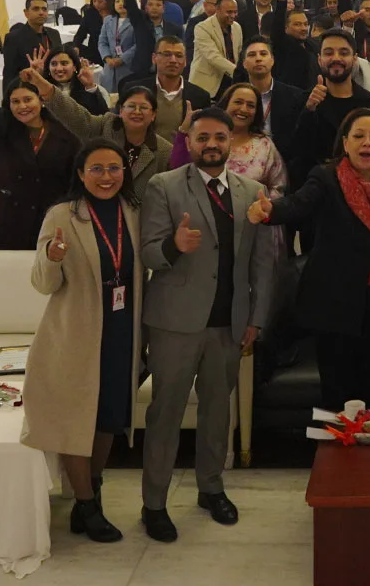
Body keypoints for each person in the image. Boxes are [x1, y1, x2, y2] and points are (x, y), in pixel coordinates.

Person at [136, 108, 278, 541]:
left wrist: (256, 319)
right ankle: (154, 503)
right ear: (190, 142)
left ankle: (211, 488)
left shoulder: (252, 191)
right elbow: (148, 252)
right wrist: (174, 246)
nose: (212, 144)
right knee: (166, 413)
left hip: (229, 325)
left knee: (218, 413)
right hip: (174, 324)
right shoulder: (163, 185)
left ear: (231, 142)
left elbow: (262, 264)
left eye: (219, 137)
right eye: (203, 138)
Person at [249, 109, 370, 409]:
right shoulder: (326, 178)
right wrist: (270, 211)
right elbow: (298, 204)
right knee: (338, 391)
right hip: (333, 302)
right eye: (359, 136)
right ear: (345, 142)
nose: (367, 143)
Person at [23, 140, 144, 544]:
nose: (106, 177)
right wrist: (53, 256)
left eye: (114, 168)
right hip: (77, 333)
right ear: (80, 174)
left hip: (122, 330)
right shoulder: (63, 215)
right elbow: (43, 284)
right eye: (96, 169)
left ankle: (89, 491)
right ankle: (88, 504)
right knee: (78, 419)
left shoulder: (134, 211)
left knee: (109, 416)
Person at [0, 44, 79, 250]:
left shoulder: (65, 131)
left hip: (51, 217)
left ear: (42, 101)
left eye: (28, 99)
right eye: (15, 102)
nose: (22, 106)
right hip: (9, 219)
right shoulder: (2, 131)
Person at [285, 29, 370, 238]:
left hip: (363, 205)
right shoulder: (301, 102)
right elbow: (294, 153)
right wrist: (309, 110)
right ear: (319, 59)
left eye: (343, 52)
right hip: (316, 206)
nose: (336, 58)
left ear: (355, 59)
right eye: (329, 53)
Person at [29, 73, 170, 207]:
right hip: (95, 209)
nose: (137, 112)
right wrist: (46, 89)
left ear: (153, 114)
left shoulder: (164, 151)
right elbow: (75, 116)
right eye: (131, 106)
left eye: (143, 107)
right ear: (121, 111)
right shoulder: (106, 125)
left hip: (139, 218)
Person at [168, 82, 289, 197]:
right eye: (238, 102)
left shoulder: (265, 146)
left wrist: (263, 207)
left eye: (250, 105)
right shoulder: (205, 138)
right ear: (225, 105)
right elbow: (178, 169)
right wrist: (185, 129)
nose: (243, 109)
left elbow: (278, 186)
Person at [119, 36, 209, 139]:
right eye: (167, 54)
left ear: (185, 61)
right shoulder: (133, 90)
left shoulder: (200, 96)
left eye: (179, 56)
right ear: (154, 58)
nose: (173, 60)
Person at [190, 0, 244, 96]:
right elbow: (213, 56)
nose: (233, 15)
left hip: (231, 82)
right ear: (217, 9)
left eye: (235, 12)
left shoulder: (237, 27)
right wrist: (238, 72)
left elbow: (239, 53)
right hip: (206, 84)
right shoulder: (202, 27)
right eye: (229, 12)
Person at [2, 0, 66, 81]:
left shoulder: (54, 34)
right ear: (26, 13)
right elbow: (9, 75)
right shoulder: (14, 38)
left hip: (54, 84)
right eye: (36, 9)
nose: (41, 12)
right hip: (29, 85)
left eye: (44, 9)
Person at [45, 45, 108, 116]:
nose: (59, 68)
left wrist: (90, 86)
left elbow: (103, 117)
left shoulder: (87, 88)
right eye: (54, 64)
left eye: (64, 63)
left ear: (74, 67)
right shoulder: (43, 89)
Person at [98, 0, 130, 94]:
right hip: (110, 66)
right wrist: (107, 58)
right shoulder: (108, 20)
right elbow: (102, 42)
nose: (120, 4)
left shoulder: (137, 21)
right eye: (117, 1)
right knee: (109, 98)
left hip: (128, 66)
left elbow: (138, 44)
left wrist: (122, 59)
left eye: (124, 1)